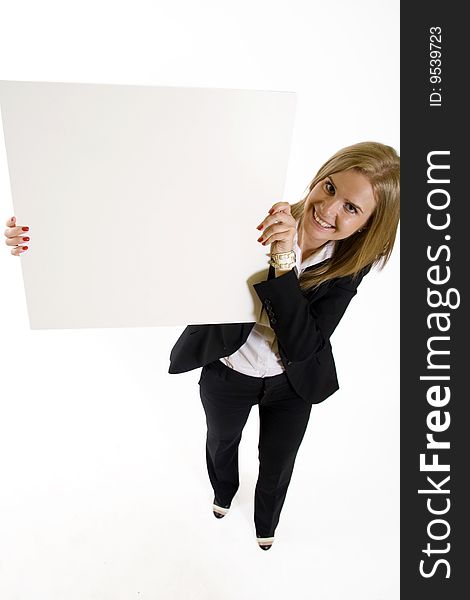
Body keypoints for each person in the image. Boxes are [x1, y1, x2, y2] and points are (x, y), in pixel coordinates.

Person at [4, 141, 400, 551]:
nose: (328, 209)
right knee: (221, 440)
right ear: (320, 176)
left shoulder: (352, 265)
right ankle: (223, 493)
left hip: (293, 383)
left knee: (279, 462)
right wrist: (42, 236)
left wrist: (284, 263)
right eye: (330, 187)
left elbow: (303, 344)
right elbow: (147, 234)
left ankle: (266, 524)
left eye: (352, 208)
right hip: (228, 369)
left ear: (370, 225)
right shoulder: (259, 217)